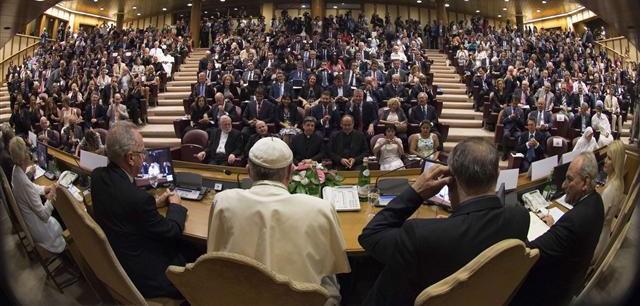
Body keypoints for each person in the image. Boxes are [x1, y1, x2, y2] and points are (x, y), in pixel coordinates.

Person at [359, 138, 529, 306]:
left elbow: (370, 235)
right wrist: (453, 223)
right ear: (498, 174)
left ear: (451, 179)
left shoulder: (421, 235)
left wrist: (415, 192)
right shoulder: (520, 217)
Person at [207, 137, 351, 303]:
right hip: (300, 301)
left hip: (240, 297)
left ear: (249, 170)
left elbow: (214, 257)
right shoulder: (321, 208)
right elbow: (333, 263)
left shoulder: (222, 201)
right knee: (329, 279)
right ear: (290, 172)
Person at [91, 122, 189, 299]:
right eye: (142, 152)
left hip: (119, 265)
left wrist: (154, 203)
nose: (144, 157)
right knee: (192, 251)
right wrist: (175, 205)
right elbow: (172, 231)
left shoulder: (97, 177)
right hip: (148, 277)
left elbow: (125, 207)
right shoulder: (138, 199)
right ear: (130, 158)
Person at [512, 152, 604, 306]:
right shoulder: (596, 202)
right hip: (570, 279)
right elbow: (568, 240)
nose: (563, 185)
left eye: (569, 179)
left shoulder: (574, 222)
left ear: (585, 182)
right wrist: (555, 227)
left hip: (549, 294)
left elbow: (530, 252)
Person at [9, 137, 65, 253]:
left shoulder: (16, 171)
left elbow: (32, 187)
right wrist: (52, 194)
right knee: (66, 217)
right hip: (43, 232)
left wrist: (47, 188)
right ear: (25, 156)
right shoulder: (23, 182)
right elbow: (44, 215)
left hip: (34, 223)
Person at [593, 140, 625, 262]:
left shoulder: (610, 190)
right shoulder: (618, 182)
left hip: (597, 242)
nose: (605, 161)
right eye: (606, 157)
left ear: (616, 162)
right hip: (604, 236)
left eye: (609, 159)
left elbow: (596, 221)